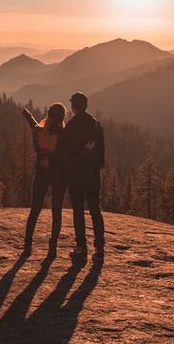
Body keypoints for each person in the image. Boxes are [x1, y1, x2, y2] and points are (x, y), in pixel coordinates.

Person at [60, 91, 105, 262]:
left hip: (76, 174)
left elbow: (66, 152)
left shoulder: (72, 126)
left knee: (78, 210)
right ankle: (99, 248)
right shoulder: (95, 124)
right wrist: (97, 165)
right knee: (95, 209)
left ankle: (81, 247)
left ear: (74, 107)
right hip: (93, 174)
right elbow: (101, 150)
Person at [21, 103, 68, 257]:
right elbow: (64, 155)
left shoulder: (40, 131)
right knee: (56, 211)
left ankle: (27, 244)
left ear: (49, 115)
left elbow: (33, 124)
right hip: (59, 175)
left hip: (42, 173)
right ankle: (52, 247)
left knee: (35, 209)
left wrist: (27, 115)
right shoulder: (63, 134)